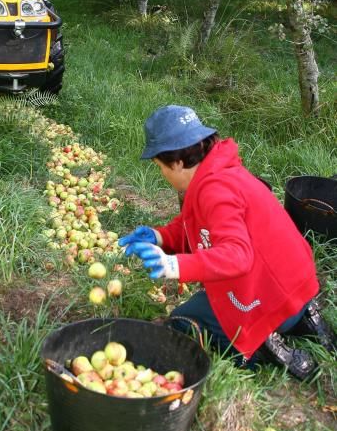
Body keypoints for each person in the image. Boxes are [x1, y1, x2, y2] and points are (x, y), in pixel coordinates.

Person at [118, 105, 335, 380]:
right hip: (297, 287)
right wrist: (160, 236)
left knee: (184, 322)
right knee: (211, 299)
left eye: (160, 168)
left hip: (270, 294)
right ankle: (304, 318)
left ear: (177, 163)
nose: (163, 175)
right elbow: (199, 227)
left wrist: (173, 264)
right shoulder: (219, 170)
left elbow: (237, 256)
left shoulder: (214, 189)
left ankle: (262, 346)